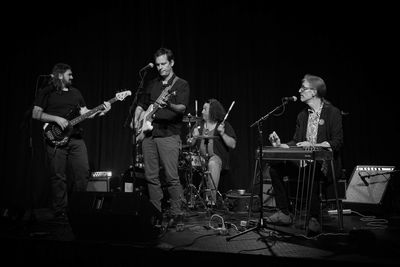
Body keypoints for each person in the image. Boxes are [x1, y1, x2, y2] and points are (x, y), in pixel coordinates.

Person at [264, 74, 343, 235]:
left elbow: (336, 143)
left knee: (310, 168)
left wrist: (313, 145)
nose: (299, 90)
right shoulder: (302, 115)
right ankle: (285, 212)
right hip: (304, 162)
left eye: (303, 88)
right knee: (275, 167)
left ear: (314, 92)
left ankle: (314, 218)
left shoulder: (332, 113)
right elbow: (296, 141)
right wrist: (280, 145)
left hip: (325, 164)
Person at [32, 63, 111, 220]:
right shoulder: (46, 92)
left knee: (83, 173)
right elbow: (36, 114)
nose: (73, 77)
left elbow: (85, 113)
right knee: (58, 175)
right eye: (70, 74)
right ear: (60, 75)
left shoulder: (76, 93)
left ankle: (79, 207)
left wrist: (102, 111)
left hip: (76, 138)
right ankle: (60, 211)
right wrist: (56, 118)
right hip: (54, 139)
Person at [132, 48, 190, 227]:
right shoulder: (151, 83)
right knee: (151, 176)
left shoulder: (180, 84)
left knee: (172, 177)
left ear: (171, 63)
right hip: (148, 134)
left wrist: (169, 105)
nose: (160, 68)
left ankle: (177, 215)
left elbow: (182, 108)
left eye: (163, 64)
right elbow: (141, 105)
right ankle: (155, 214)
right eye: (157, 65)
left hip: (168, 134)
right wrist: (137, 120)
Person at [188, 99, 237, 207]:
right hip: (199, 158)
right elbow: (189, 143)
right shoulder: (198, 124)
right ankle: (188, 198)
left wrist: (223, 134)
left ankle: (210, 200)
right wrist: (194, 137)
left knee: (212, 163)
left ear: (212, 111)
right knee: (186, 162)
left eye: (205, 109)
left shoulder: (223, 125)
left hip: (216, 158)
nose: (202, 111)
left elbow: (233, 144)